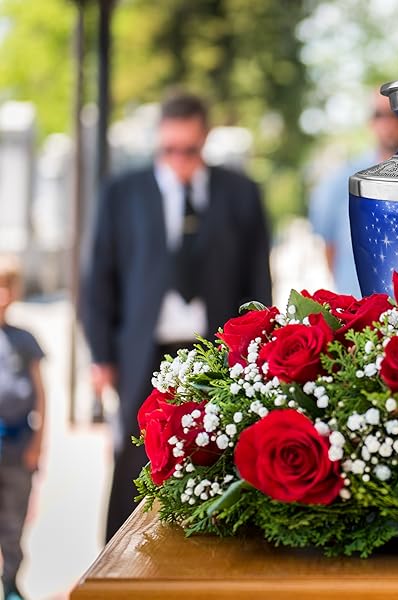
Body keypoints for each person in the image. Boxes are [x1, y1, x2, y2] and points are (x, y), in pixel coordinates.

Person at [82, 92, 272, 542]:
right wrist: (101, 355)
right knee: (134, 456)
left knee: (213, 449)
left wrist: (254, 350)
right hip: (142, 351)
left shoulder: (240, 193)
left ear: (204, 141)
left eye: (189, 150)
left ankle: (208, 547)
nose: (179, 160)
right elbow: (98, 279)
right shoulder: (122, 193)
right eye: (169, 150)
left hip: (212, 350)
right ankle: (117, 557)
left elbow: (257, 280)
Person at [309, 91, 398, 296]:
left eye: (397, 114)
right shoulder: (341, 181)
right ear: (370, 122)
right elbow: (329, 246)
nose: (389, 123)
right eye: (380, 114)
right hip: (358, 307)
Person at [0, 255, 45, 600]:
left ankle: (11, 582)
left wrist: (37, 445)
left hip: (17, 446)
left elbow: (42, 396)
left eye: (7, 286)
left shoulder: (25, 340)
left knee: (13, 524)